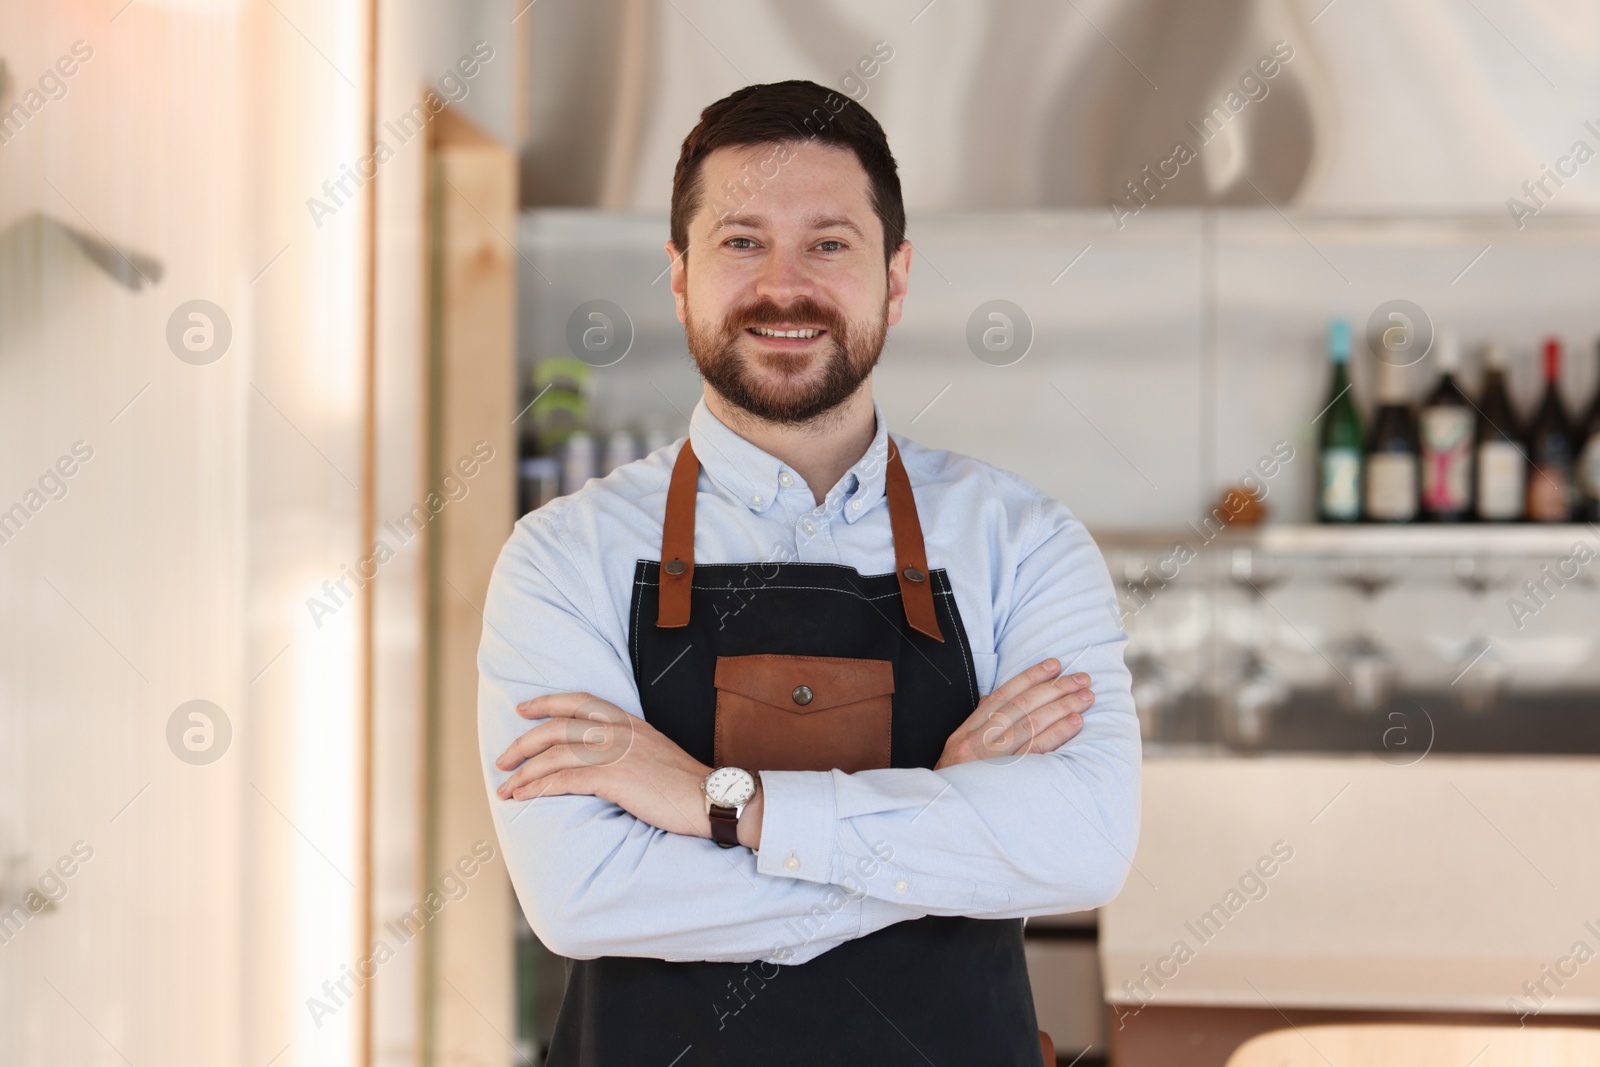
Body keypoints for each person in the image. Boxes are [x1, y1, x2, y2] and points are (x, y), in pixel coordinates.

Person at [479, 79, 1140, 1066]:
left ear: (896, 275)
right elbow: (583, 899)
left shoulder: (1022, 541)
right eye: (741, 240)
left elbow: (1082, 847)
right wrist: (940, 810)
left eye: (828, 242)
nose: (784, 285)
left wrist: (724, 802)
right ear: (679, 273)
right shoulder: (561, 556)